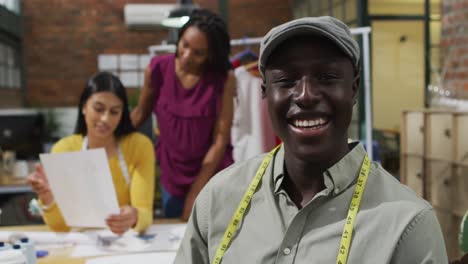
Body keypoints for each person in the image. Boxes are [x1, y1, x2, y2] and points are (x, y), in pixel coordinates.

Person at [175, 16, 448, 263]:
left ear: (353, 89)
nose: (305, 95)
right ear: (265, 93)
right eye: (286, 80)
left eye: (327, 77)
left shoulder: (407, 225)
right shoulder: (219, 199)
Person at [131, 9, 235, 220]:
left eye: (198, 53)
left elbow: (220, 139)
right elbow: (140, 113)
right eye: (185, 45)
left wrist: (197, 192)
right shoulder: (158, 69)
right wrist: (105, 137)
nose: (187, 56)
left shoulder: (223, 79)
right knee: (175, 239)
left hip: (211, 173)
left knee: (213, 239)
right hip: (172, 174)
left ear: (211, 55)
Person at [28, 72, 155, 235]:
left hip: (124, 245)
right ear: (83, 107)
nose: (105, 119)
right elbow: (59, 227)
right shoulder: (63, 150)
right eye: (98, 109)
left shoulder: (139, 146)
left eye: (114, 112)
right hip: (80, 245)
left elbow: (145, 213)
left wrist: (135, 217)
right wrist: (48, 198)